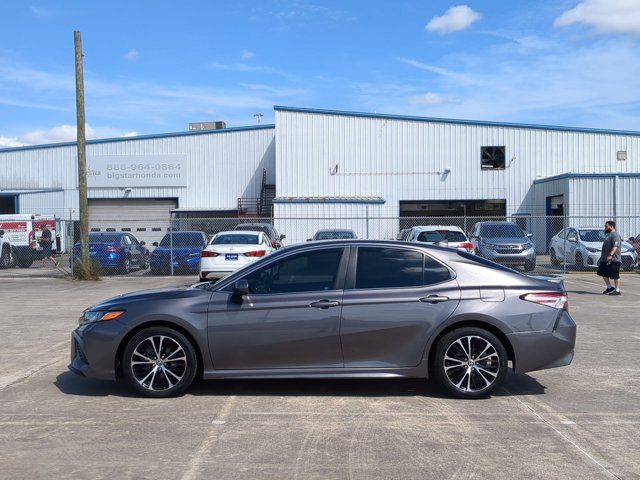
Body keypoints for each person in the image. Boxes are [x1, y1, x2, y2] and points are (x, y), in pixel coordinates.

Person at [597, 220, 622, 296]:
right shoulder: (608, 235)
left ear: (611, 227)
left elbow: (615, 246)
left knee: (615, 275)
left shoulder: (615, 235)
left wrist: (611, 254)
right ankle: (609, 287)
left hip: (614, 259)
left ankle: (617, 290)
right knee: (602, 272)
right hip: (605, 259)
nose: (605, 228)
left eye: (606, 226)